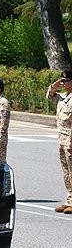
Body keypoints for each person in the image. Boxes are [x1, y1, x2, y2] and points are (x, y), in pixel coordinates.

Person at [48, 72, 72, 213]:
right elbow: (49, 95)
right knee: (66, 172)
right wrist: (55, 85)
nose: (62, 83)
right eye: (61, 81)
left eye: (65, 81)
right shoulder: (63, 98)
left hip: (70, 141)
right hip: (62, 140)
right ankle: (69, 200)